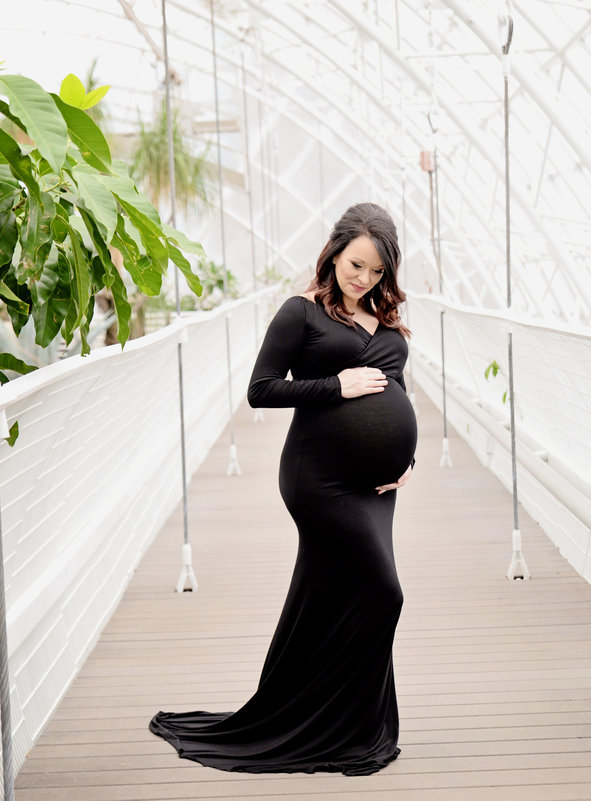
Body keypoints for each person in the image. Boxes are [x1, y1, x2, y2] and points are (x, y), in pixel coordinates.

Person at [149, 202, 417, 775]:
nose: (363, 279)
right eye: (355, 264)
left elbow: (396, 389)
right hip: (318, 478)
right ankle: (332, 723)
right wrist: (335, 387)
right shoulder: (301, 315)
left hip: (377, 488)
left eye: (376, 272)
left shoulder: (389, 326)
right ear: (335, 252)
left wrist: (406, 455)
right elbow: (261, 390)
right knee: (383, 591)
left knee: (333, 595)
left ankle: (348, 724)